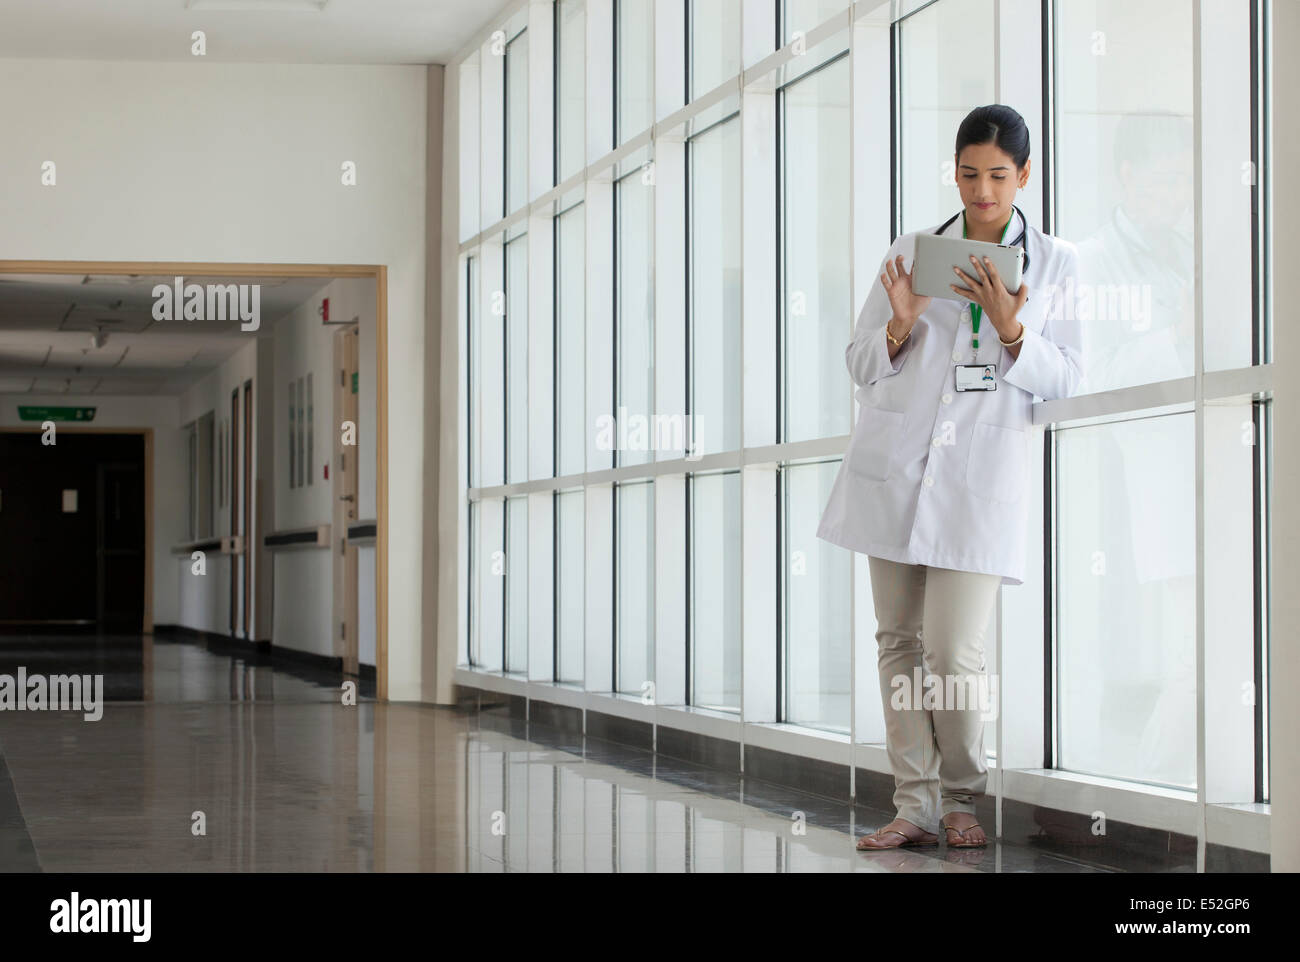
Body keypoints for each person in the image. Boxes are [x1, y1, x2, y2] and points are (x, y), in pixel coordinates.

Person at [815, 104, 1085, 850]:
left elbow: (1068, 378)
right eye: (969, 174)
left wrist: (1009, 330)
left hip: (976, 482)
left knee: (954, 650)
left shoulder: (1056, 263)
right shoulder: (913, 251)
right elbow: (859, 362)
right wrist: (902, 321)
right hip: (896, 472)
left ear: (1024, 175)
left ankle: (963, 793)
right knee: (897, 639)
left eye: (998, 175)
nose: (983, 190)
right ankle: (915, 803)